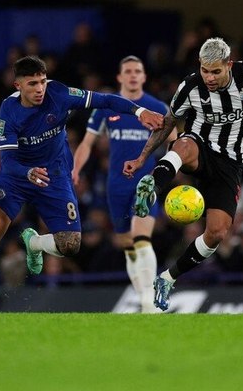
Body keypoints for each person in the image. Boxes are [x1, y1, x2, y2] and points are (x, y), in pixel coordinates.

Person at [0, 55, 163, 313]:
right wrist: (27, 173)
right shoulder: (8, 112)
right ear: (18, 86)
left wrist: (139, 111)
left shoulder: (59, 93)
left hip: (55, 174)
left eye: (42, 82)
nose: (39, 89)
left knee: (70, 244)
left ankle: (34, 243)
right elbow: (9, 161)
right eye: (32, 84)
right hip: (18, 175)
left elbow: (104, 100)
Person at [123, 37, 243, 311]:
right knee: (184, 143)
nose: (208, 77)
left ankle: (167, 278)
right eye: (205, 71)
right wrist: (141, 158)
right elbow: (167, 124)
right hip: (199, 148)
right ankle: (152, 185)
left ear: (229, 65)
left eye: (215, 71)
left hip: (230, 163)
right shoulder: (190, 86)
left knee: (217, 234)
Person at [72, 55, 171, 313]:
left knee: (141, 238)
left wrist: (173, 166)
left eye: (138, 71)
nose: (133, 75)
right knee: (128, 245)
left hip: (146, 183)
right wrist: (75, 169)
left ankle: (148, 302)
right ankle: (142, 296)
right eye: (128, 71)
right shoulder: (107, 107)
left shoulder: (156, 106)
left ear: (144, 76)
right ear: (120, 77)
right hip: (115, 186)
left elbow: (175, 137)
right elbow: (86, 143)